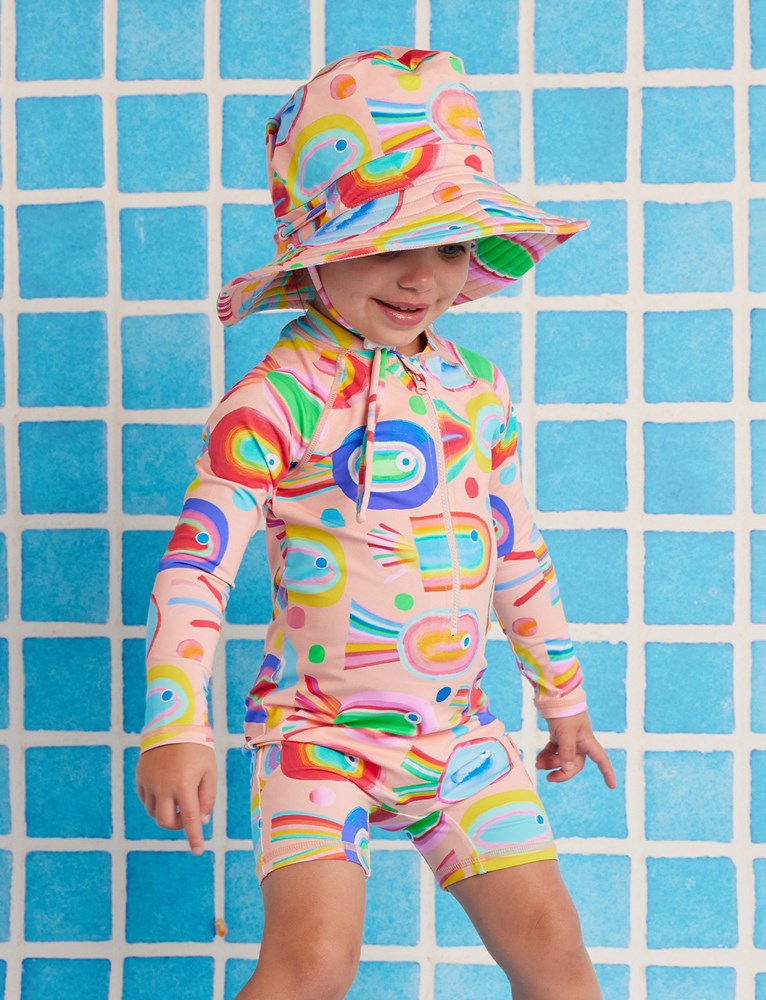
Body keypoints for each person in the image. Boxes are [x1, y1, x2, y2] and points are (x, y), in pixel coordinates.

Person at [136, 46, 617, 1000]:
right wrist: (174, 723)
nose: (419, 279)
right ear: (319, 250)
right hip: (318, 735)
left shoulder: (477, 391)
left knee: (556, 955)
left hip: (460, 736)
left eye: (449, 246)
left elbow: (517, 554)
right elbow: (197, 566)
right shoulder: (279, 396)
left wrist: (563, 700)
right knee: (313, 965)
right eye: (384, 242)